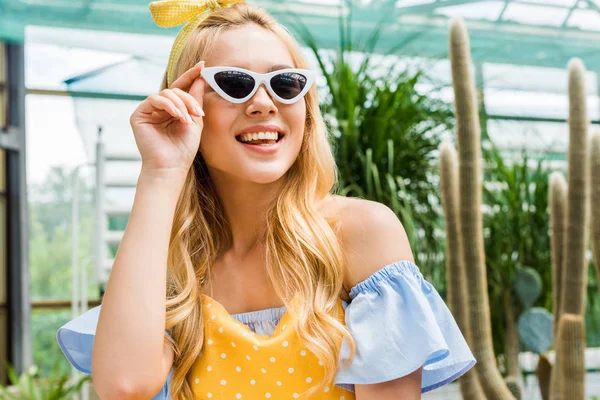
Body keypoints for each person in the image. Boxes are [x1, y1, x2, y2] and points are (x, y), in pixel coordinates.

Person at [56, 1, 476, 399]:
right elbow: (124, 384)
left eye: (285, 83)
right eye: (234, 84)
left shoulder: (360, 234)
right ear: (184, 106)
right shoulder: (171, 266)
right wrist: (161, 172)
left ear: (306, 107)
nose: (263, 103)